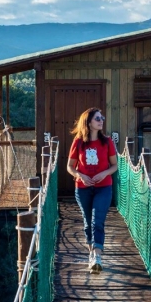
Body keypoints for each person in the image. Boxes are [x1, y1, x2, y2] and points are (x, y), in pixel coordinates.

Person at [66, 107, 117, 273]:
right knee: (88, 223)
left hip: (104, 187)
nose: (101, 120)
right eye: (97, 118)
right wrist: (80, 175)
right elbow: (70, 167)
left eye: (101, 118)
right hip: (83, 188)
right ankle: (91, 255)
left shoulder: (107, 142)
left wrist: (103, 173)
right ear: (88, 122)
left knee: (97, 221)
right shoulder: (78, 142)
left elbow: (114, 165)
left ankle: (97, 256)